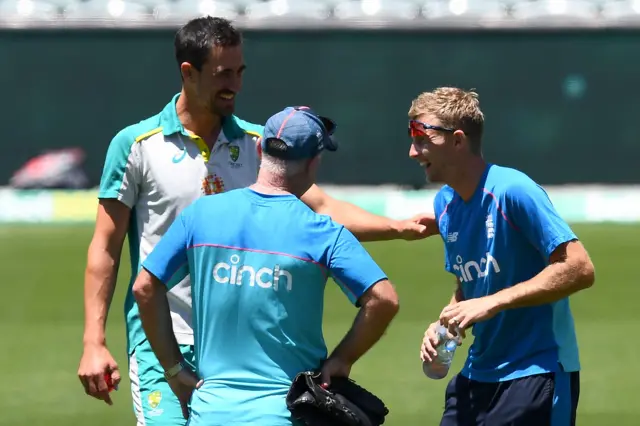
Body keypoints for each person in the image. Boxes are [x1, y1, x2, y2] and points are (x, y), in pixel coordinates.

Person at [77, 16, 434, 426]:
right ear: (188, 73)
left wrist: (398, 229)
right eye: (223, 73)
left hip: (240, 345)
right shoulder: (136, 145)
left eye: (240, 71)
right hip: (162, 333)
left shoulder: (256, 144)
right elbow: (106, 247)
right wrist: (93, 341)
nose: (236, 83)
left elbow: (320, 208)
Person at [132, 106, 399, 425]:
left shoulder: (200, 214)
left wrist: (174, 368)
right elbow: (384, 299)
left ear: (260, 150)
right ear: (314, 163)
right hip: (285, 414)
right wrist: (342, 359)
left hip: (209, 413)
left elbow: (144, 287)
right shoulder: (323, 232)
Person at [410, 87, 595, 426]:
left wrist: (493, 302)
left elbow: (579, 267)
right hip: (476, 376)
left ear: (457, 140)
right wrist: (444, 326)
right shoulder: (445, 205)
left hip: (537, 372)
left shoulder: (513, 190)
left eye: (422, 139)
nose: (412, 151)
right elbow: (470, 285)